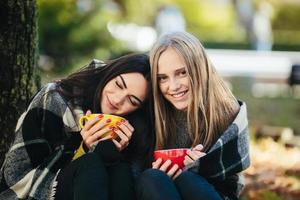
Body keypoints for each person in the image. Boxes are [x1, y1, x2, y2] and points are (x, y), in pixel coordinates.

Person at [0, 54, 154, 200]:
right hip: (30, 189)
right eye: (119, 84)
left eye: (132, 101)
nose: (118, 99)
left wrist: (114, 152)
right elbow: (17, 174)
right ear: (110, 74)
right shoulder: (55, 98)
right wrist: (83, 147)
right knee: (90, 163)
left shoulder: (130, 126)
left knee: (120, 169)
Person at [136, 32, 250, 200]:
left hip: (209, 193)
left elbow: (234, 184)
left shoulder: (228, 112)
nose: (173, 86)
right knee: (151, 178)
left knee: (188, 180)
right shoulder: (151, 113)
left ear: (199, 69)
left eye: (182, 73)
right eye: (163, 78)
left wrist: (205, 168)